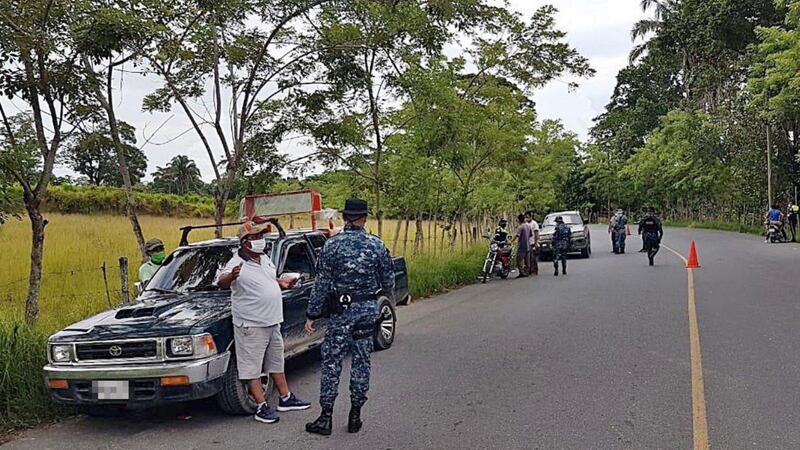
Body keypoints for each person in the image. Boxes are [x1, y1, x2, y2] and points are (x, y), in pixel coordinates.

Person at [305, 198, 395, 436]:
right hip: (367, 310)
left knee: (332, 362)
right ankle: (355, 416)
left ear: (345, 218)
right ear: (364, 218)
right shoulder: (376, 245)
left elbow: (321, 284)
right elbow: (388, 281)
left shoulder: (331, 246)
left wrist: (312, 313)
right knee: (361, 361)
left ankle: (325, 418)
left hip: (341, 313)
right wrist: (384, 297)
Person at [216, 219, 311, 424]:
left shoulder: (264, 258)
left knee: (276, 362)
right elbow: (221, 281)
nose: (261, 240)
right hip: (251, 324)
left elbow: (267, 279)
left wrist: (281, 283)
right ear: (244, 242)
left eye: (261, 236)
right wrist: (232, 276)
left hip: (272, 321)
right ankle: (261, 406)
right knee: (252, 367)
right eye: (256, 237)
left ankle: (285, 398)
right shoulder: (236, 262)